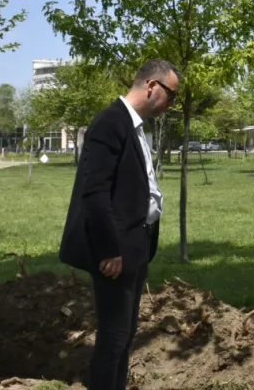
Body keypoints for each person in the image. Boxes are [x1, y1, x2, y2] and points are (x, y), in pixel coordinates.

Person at [59, 59, 179, 390]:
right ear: (152, 86)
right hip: (116, 250)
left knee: (124, 335)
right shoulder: (110, 123)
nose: (172, 103)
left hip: (136, 244)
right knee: (113, 336)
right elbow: (95, 192)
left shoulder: (133, 126)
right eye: (171, 95)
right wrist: (110, 249)